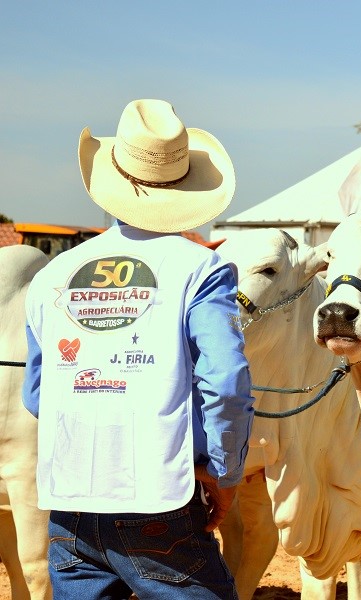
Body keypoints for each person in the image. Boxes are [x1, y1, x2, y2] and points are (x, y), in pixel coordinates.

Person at [22, 99, 255, 599]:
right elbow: (227, 381)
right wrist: (223, 471)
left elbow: (39, 394)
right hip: (160, 497)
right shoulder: (201, 270)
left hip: (70, 503)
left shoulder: (51, 276)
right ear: (186, 184)